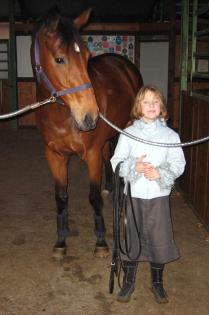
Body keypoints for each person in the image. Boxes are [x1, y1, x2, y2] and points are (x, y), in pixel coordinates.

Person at [110, 85, 186, 303]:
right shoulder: (129, 133)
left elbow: (179, 163)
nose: (151, 106)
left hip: (158, 196)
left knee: (159, 237)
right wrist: (135, 168)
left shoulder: (170, 135)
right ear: (138, 107)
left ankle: (157, 282)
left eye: (155, 102)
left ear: (161, 106)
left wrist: (160, 172)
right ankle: (129, 281)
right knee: (132, 236)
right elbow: (116, 161)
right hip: (134, 196)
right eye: (146, 102)